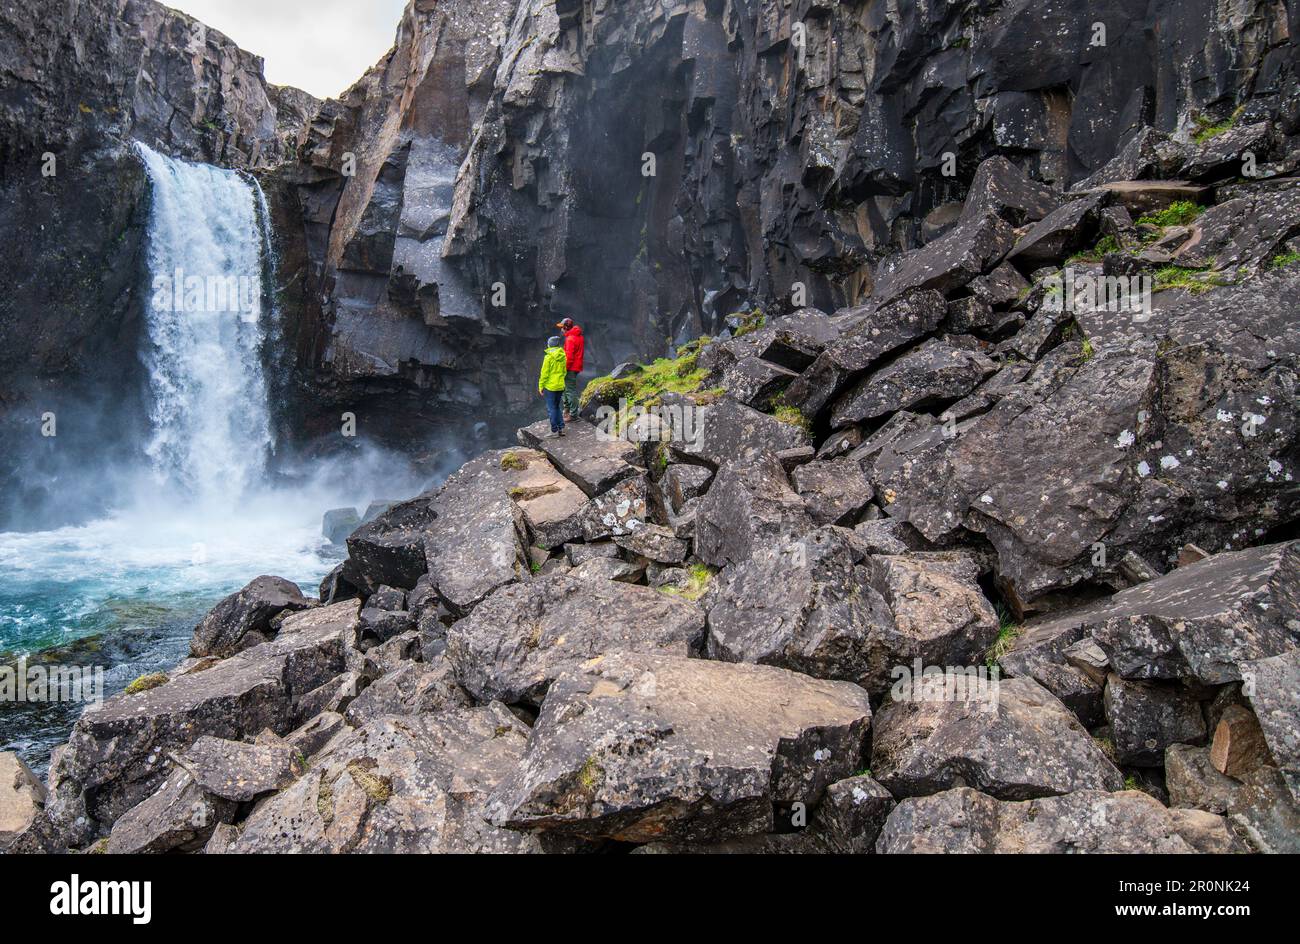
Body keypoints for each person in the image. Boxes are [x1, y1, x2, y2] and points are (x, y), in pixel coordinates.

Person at [538, 336, 568, 437]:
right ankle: (561, 428)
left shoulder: (548, 357)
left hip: (550, 387)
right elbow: (564, 372)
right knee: (557, 407)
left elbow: (544, 374)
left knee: (551, 409)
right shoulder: (563, 356)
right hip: (560, 386)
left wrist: (541, 386)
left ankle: (554, 431)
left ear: (549, 345)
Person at [556, 317, 584, 421]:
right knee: (565, 388)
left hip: (570, 368)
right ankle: (567, 409)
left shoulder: (570, 339)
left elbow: (569, 357)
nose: (561, 330)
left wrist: (564, 369)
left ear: (566, 328)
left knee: (570, 391)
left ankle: (573, 415)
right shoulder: (578, 336)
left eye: (562, 328)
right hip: (576, 366)